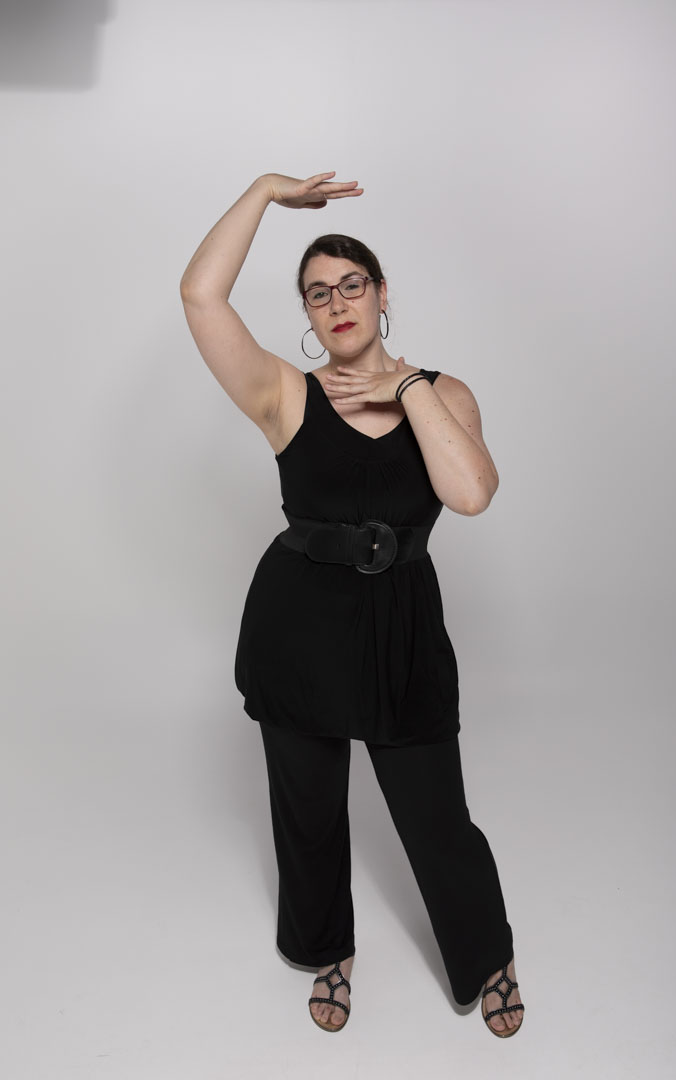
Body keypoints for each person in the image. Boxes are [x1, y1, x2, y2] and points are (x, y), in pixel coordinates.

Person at [179, 171, 525, 1037]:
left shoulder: (444, 394)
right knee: (307, 811)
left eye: (352, 284)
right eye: (318, 292)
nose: (337, 302)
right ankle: (326, 949)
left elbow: (472, 493)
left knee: (437, 819)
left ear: (381, 295)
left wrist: (402, 389)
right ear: (307, 311)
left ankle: (486, 954)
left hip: (401, 628)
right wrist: (264, 192)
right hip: (297, 625)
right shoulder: (284, 394)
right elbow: (200, 295)